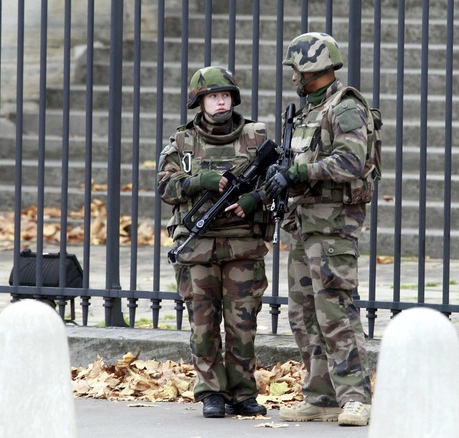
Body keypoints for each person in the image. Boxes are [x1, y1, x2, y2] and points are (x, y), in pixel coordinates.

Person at [265, 32, 373, 427]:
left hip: (333, 227)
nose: (292, 74)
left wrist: (297, 171)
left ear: (310, 67)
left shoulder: (344, 108)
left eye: (295, 66)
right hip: (305, 224)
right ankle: (321, 395)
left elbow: (350, 162)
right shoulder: (308, 110)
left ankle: (355, 398)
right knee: (304, 314)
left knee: (336, 313)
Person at [157, 66, 272, 419]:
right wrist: (198, 181)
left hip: (243, 246)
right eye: (212, 97)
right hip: (198, 247)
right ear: (199, 102)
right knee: (203, 326)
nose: (220, 102)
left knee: (243, 325)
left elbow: (277, 180)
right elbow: (165, 186)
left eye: (224, 96)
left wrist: (255, 198)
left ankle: (243, 393)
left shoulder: (255, 137)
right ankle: (211, 392)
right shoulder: (183, 142)